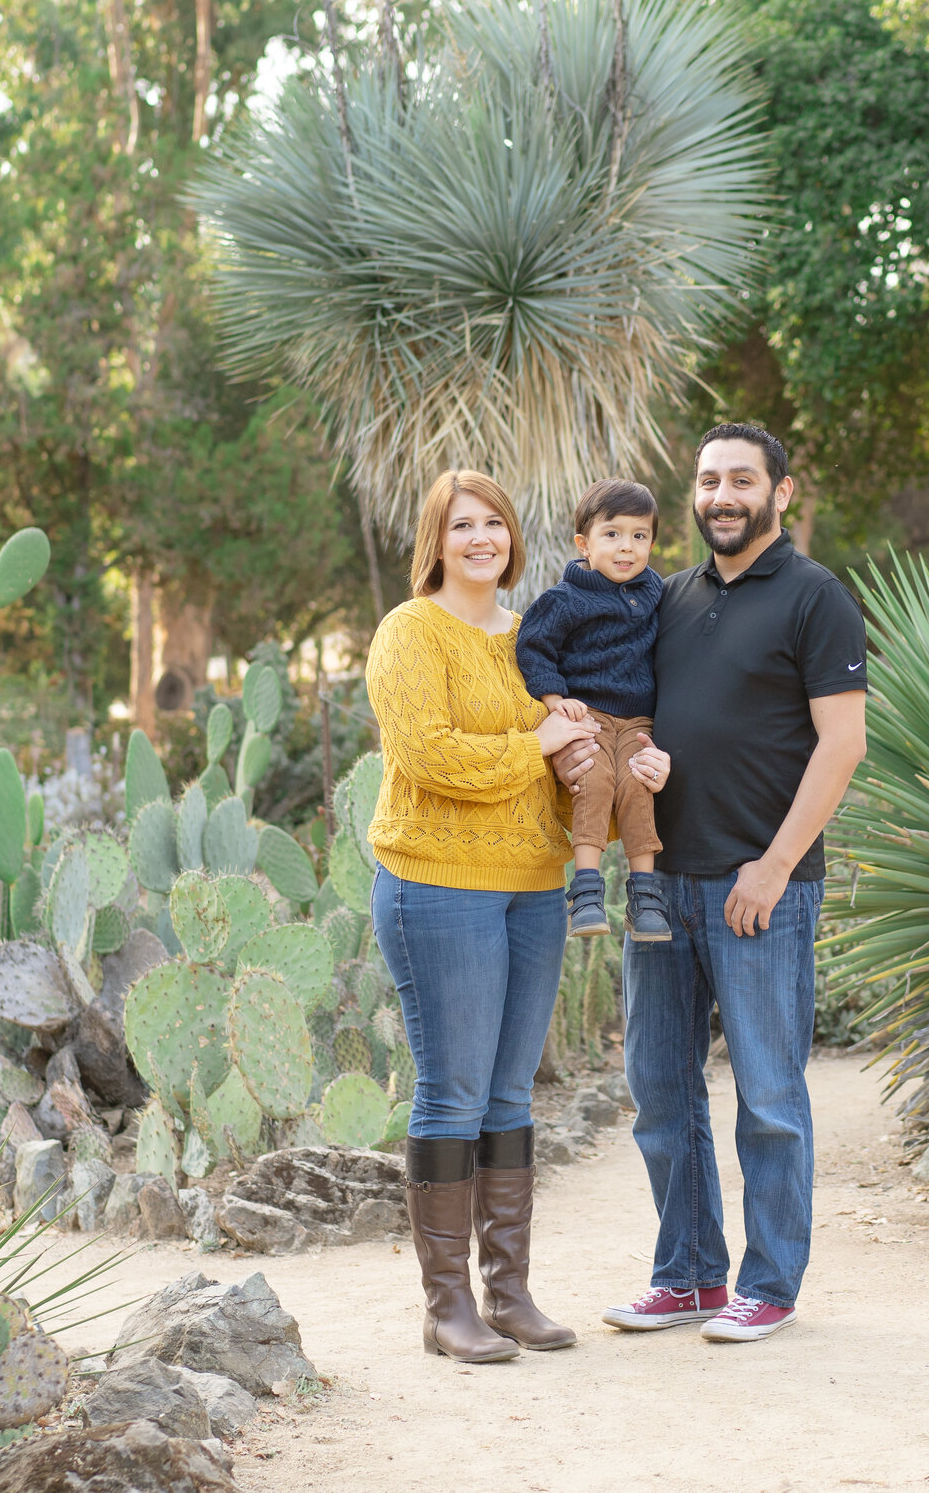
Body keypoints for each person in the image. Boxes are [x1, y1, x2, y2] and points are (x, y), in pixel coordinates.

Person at [364, 469, 669, 1364]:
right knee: (454, 1088)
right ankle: (446, 1302)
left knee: (508, 1092)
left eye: (493, 522)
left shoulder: (534, 630)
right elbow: (426, 755)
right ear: (437, 540)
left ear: (514, 536)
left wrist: (633, 767)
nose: (481, 538)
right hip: (437, 882)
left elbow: (588, 746)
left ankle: (510, 1290)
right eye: (462, 525)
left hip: (536, 884)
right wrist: (533, 739)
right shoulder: (410, 632)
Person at [579, 423, 868, 1345]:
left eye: (742, 479)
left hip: (761, 889)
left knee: (769, 1097)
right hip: (661, 882)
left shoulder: (817, 597)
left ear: (780, 493)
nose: (721, 495)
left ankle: (770, 1285)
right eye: (708, 480)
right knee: (659, 1088)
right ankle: (690, 1275)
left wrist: (775, 866)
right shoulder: (666, 596)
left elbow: (843, 743)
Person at [514, 478, 671, 943]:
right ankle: (585, 891)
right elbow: (534, 647)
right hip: (590, 716)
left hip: (639, 719)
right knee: (595, 781)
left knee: (639, 785)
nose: (627, 548)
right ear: (584, 544)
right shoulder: (564, 599)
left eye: (640, 536)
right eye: (613, 534)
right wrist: (554, 699)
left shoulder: (655, 593)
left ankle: (645, 896)